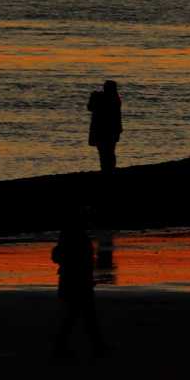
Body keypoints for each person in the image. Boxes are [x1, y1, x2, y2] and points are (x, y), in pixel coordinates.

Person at [51, 207, 111, 357]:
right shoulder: (76, 234)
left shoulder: (69, 233)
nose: (88, 221)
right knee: (80, 314)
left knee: (81, 314)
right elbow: (81, 260)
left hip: (75, 280)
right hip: (78, 281)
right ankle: (62, 346)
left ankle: (96, 345)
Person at [87, 80, 122, 171]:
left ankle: (106, 169)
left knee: (104, 151)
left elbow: (90, 107)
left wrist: (94, 96)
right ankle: (109, 169)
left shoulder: (102, 98)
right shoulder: (115, 99)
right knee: (109, 151)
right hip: (112, 129)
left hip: (101, 128)